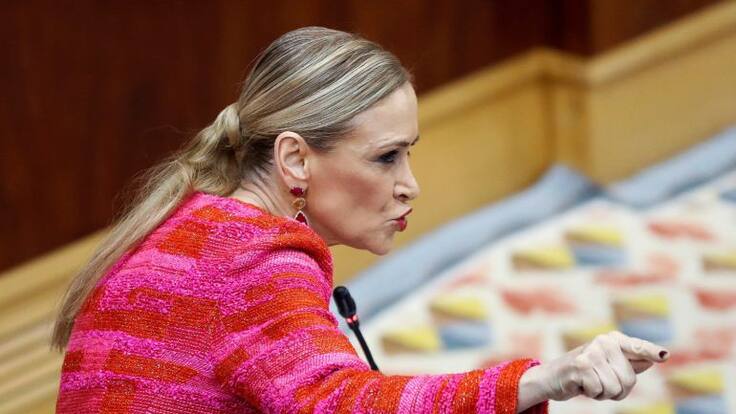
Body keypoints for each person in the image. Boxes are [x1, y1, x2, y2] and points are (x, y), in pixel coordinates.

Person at [52, 27, 669, 413]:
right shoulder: (255, 263)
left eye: (409, 153)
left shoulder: (196, 224)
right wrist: (547, 379)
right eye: (385, 157)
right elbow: (344, 404)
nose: (410, 186)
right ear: (296, 158)